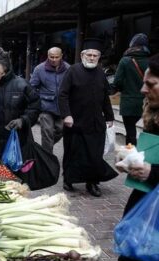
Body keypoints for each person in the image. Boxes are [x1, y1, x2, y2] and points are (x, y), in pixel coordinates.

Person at [58, 38, 118, 197]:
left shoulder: (100, 73)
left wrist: (110, 116)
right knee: (73, 152)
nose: (92, 58)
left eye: (95, 55)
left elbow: (105, 97)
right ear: (82, 55)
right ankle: (68, 179)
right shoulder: (72, 71)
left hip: (95, 122)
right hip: (75, 122)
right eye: (89, 55)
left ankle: (92, 183)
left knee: (94, 154)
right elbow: (62, 95)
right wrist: (67, 115)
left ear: (99, 57)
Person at [117, 53, 159, 261]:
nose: (143, 90)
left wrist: (153, 172)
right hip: (145, 207)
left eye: (151, 85)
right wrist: (131, 157)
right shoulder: (154, 114)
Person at [30, 47, 70, 153]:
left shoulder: (68, 68)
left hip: (62, 107)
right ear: (48, 56)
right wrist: (35, 102)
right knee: (47, 132)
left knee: (61, 130)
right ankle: (47, 157)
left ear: (61, 56)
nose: (54, 59)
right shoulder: (39, 69)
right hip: (45, 106)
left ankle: (44, 150)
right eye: (51, 57)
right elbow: (32, 87)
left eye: (56, 57)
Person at [113, 33, 150, 146]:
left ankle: (131, 156)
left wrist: (124, 87)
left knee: (130, 132)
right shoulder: (151, 61)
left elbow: (117, 82)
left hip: (128, 102)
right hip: (146, 103)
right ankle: (146, 155)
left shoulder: (125, 61)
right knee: (148, 130)